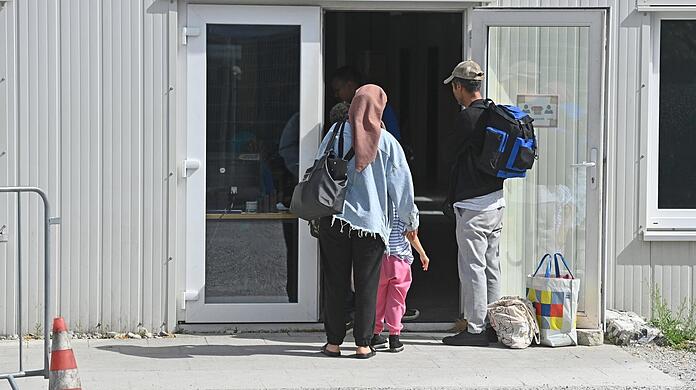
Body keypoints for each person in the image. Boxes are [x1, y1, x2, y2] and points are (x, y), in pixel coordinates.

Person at [318, 84, 418, 359]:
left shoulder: (335, 133)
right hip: (371, 224)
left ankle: (333, 343)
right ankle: (363, 344)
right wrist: (411, 222)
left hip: (334, 219)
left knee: (335, 282)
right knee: (367, 283)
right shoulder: (386, 142)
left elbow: (318, 166)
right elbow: (402, 187)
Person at [441, 60, 505, 346]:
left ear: (458, 86)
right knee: (492, 265)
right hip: (497, 202)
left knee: (472, 267)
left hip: (474, 206)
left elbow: (448, 154)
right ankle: (494, 325)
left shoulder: (467, 119)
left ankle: (476, 330)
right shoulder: (494, 113)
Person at [371, 207, 430, 353]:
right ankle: (394, 338)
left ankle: (375, 334)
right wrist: (422, 254)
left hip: (379, 259)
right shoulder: (408, 208)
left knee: (377, 300)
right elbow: (412, 235)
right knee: (396, 302)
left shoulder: (379, 203)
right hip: (400, 261)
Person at [330, 66, 402, 140]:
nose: (336, 95)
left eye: (337, 90)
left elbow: (394, 138)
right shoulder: (343, 110)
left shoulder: (379, 107)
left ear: (350, 85)